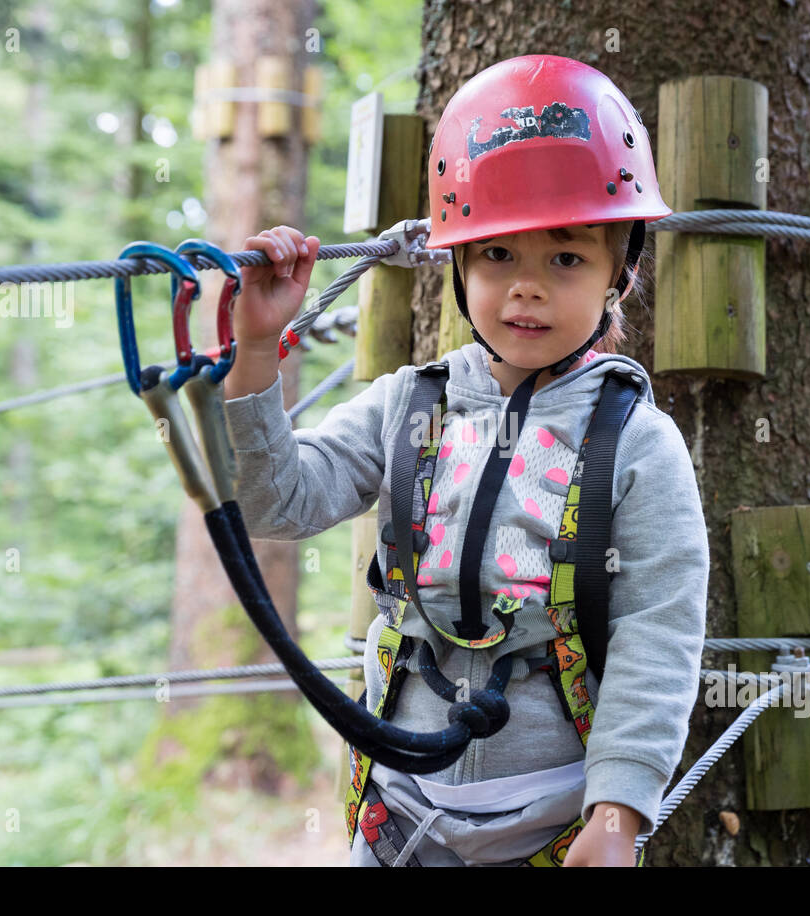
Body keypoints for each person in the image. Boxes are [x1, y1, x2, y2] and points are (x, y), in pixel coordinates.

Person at [221, 54, 708, 867]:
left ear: (620, 271)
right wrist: (257, 352)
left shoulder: (637, 443)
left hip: (558, 817)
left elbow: (659, 633)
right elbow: (278, 504)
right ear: (457, 263)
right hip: (399, 806)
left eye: (566, 258)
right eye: (496, 256)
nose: (526, 289)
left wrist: (619, 812)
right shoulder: (408, 405)